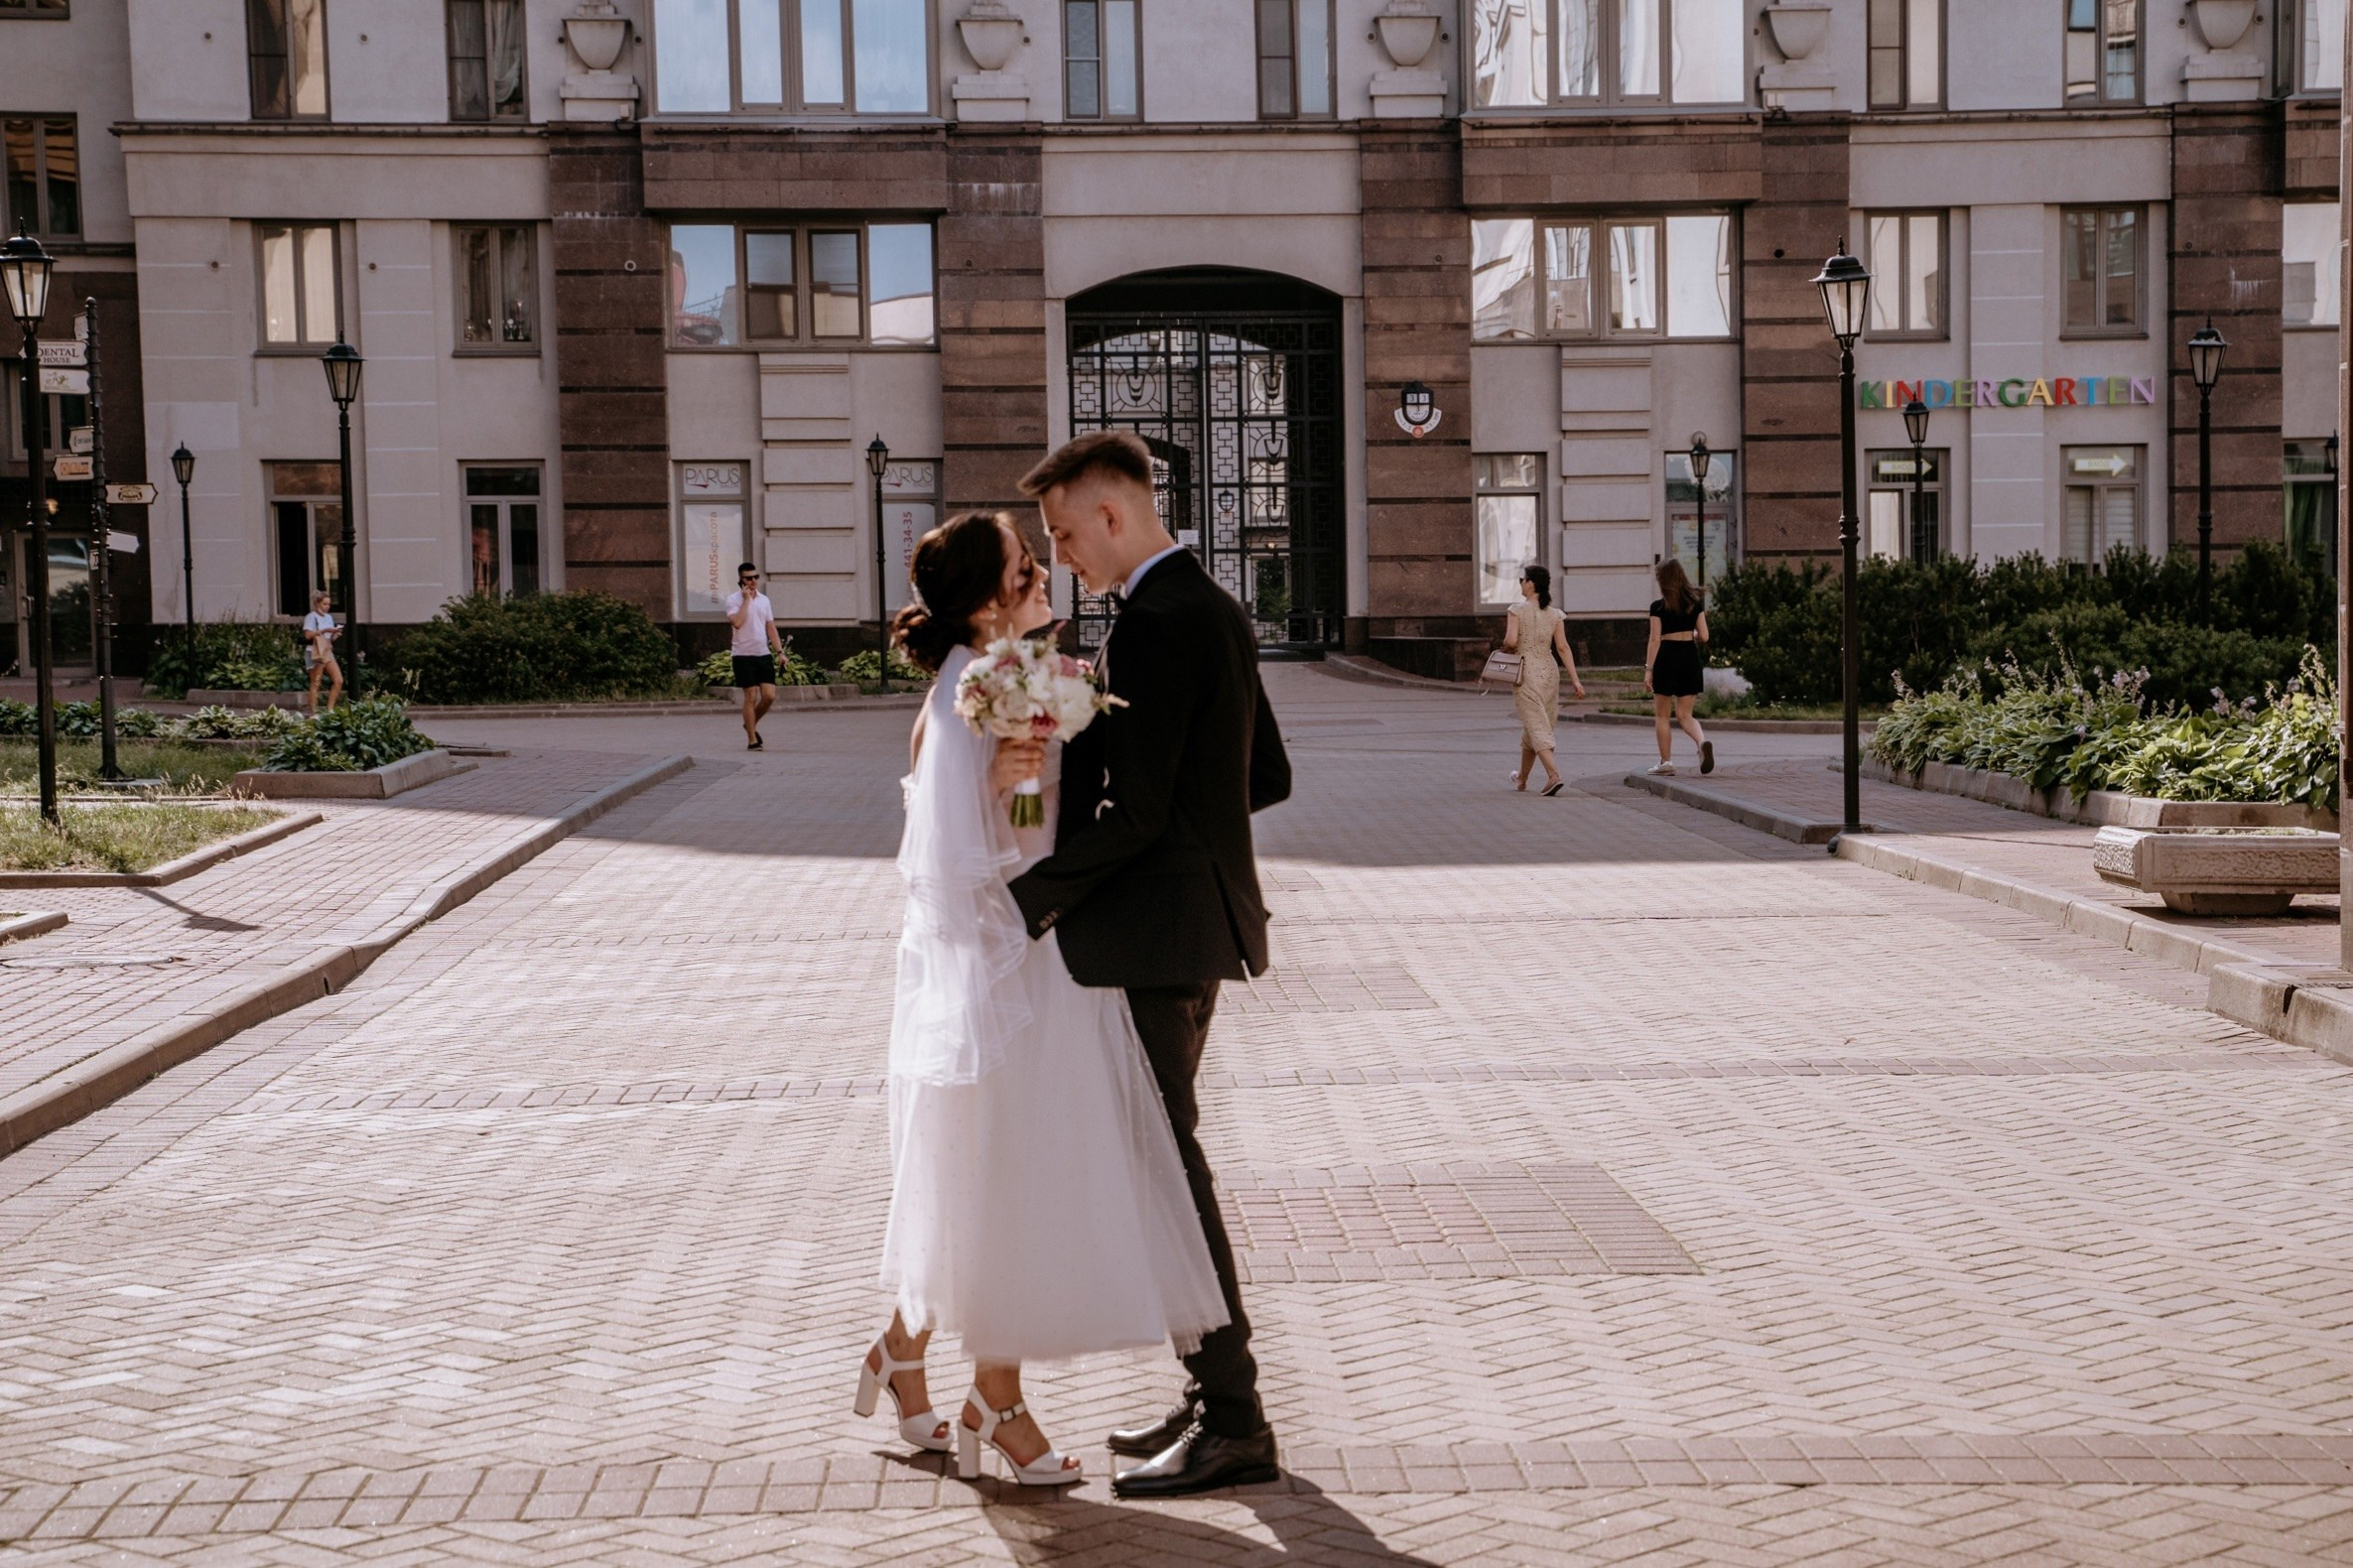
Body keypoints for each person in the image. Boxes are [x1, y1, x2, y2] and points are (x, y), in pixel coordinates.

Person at [858, 508, 1230, 1490]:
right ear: (988, 604)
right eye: (1027, 571)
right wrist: (1035, 772)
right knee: (1008, 1186)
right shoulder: (999, 687)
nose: (1042, 579)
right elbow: (1014, 840)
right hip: (1016, 973)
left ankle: (911, 1358)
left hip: (986, 971)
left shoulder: (960, 684)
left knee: (978, 1181)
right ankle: (994, 1400)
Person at [1004, 430, 1293, 1501]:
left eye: (1066, 534)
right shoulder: (1208, 607)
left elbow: (1143, 808)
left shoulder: (1161, 623)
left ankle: (1236, 1416)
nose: (1066, 555)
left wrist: (1027, 898)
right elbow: (1262, 771)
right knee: (1165, 1166)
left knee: (1170, 1175)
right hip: (1189, 927)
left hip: (1157, 939)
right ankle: (1207, 1387)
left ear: (1111, 515)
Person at [1503, 565, 1585, 796]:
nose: (1520, 584)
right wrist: (1576, 680)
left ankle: (1553, 775)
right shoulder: (1555, 614)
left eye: (1522, 580)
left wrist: (1508, 646)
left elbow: (1510, 642)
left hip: (1525, 673)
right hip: (1549, 673)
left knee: (1537, 725)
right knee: (1536, 725)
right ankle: (1522, 779)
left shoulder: (1516, 610)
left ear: (1531, 583)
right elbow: (1562, 647)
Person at [1645, 557, 1714, 776]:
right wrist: (1689, 633)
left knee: (1662, 716)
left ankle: (1666, 763)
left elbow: (1655, 640)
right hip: (1689, 656)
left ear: (1663, 580)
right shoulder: (1695, 604)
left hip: (1667, 657)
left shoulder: (1657, 607)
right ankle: (1702, 742)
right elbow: (1704, 636)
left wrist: (1648, 669)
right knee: (1685, 715)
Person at [725, 564, 784, 751]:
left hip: (762, 653)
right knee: (750, 695)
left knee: (769, 696)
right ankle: (752, 739)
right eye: (748, 578)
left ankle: (749, 723)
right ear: (741, 580)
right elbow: (737, 623)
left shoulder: (765, 600)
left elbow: (770, 627)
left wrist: (780, 652)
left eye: (755, 577)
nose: (753, 581)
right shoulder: (733, 600)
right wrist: (746, 600)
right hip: (743, 655)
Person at [301, 590, 342, 716]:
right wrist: (323, 630)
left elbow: (329, 638)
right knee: (316, 682)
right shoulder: (311, 617)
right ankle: (313, 713)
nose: (327, 607)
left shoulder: (329, 617)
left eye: (329, 604)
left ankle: (330, 709)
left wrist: (335, 634)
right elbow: (308, 635)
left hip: (327, 651)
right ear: (317, 604)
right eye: (324, 604)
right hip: (315, 651)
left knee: (338, 680)